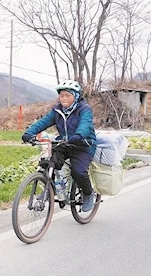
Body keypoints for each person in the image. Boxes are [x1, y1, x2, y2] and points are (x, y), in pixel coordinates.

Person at [21, 79, 98, 212]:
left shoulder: (84, 109)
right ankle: (48, 190)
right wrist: (29, 133)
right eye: (61, 96)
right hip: (64, 143)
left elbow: (85, 125)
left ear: (76, 96)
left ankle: (88, 193)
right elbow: (43, 122)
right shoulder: (57, 111)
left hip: (83, 145)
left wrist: (79, 136)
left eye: (67, 95)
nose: (64, 98)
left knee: (78, 172)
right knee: (50, 163)